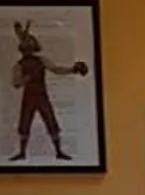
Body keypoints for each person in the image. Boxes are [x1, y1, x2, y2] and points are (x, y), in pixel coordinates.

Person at [10, 19, 88, 163]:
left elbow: (56, 69)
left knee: (50, 120)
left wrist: (72, 70)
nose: (29, 47)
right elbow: (16, 83)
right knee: (25, 122)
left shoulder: (41, 60)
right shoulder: (19, 65)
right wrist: (26, 79)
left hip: (41, 95)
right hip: (29, 96)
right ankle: (22, 152)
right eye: (27, 45)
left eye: (31, 44)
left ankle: (58, 151)